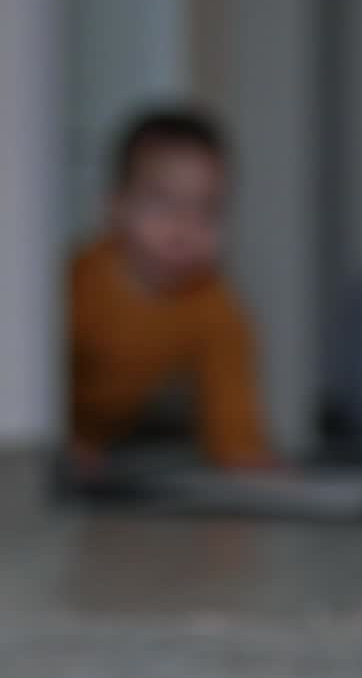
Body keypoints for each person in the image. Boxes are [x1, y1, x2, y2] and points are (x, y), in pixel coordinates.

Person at [68, 108, 275, 472]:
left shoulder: (213, 306)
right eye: (163, 203)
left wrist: (249, 462)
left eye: (207, 209)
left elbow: (234, 425)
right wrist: (61, 445)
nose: (184, 228)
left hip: (117, 455)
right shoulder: (77, 284)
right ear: (116, 206)